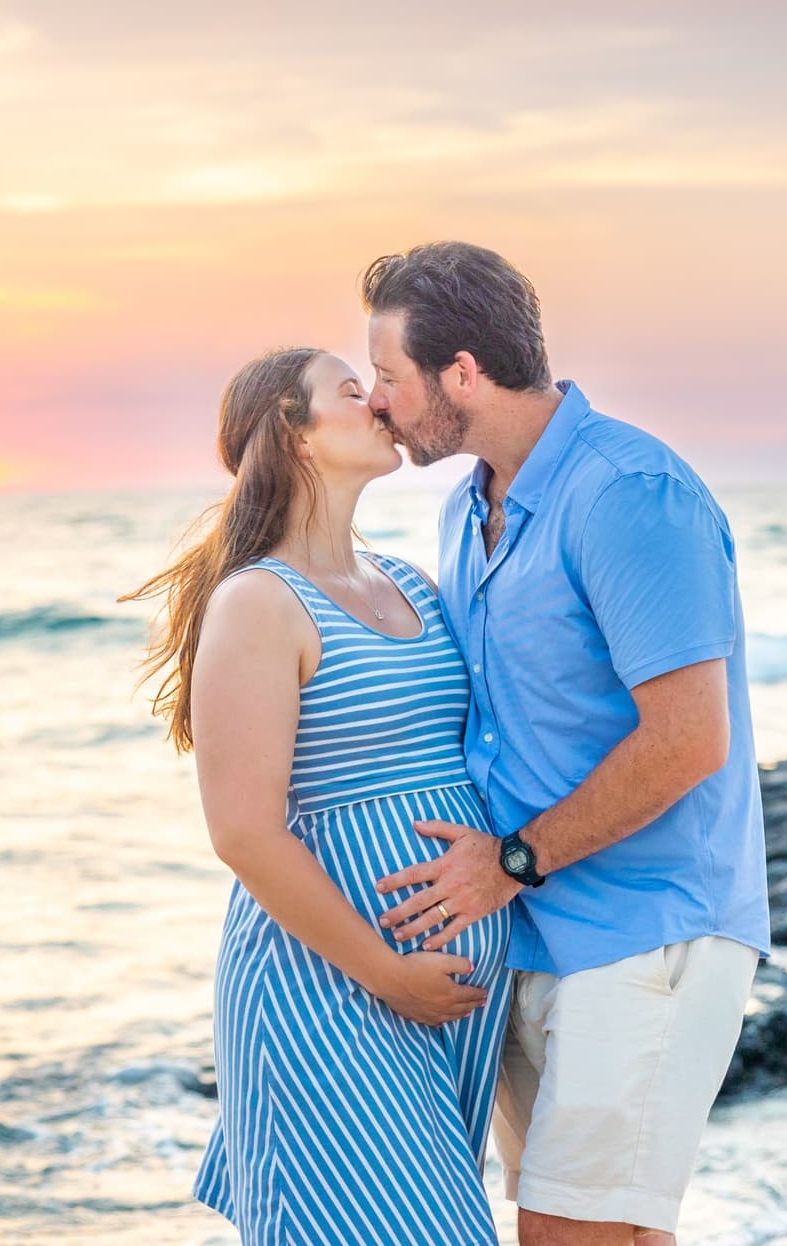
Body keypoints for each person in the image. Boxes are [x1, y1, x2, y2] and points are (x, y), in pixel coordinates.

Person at [360, 242, 771, 1246]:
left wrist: (510, 860)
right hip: (529, 936)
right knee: (601, 1232)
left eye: (386, 376)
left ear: (460, 371)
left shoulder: (629, 492)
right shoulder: (469, 507)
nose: (376, 402)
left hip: (647, 925)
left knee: (568, 1235)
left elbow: (686, 739)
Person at [123, 345, 512, 1246]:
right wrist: (389, 975)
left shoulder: (412, 584)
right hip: (330, 998)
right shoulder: (260, 602)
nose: (379, 401)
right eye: (350, 391)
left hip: (443, 1007)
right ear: (292, 436)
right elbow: (245, 833)